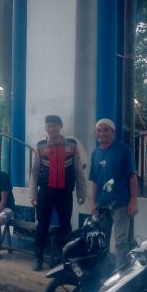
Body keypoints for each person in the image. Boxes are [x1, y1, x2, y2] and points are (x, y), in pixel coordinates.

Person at [29, 115, 87, 271]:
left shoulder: (72, 145)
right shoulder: (40, 145)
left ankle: (65, 260)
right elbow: (34, 171)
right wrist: (33, 193)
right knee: (42, 225)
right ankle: (38, 258)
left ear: (60, 127)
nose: (51, 129)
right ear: (46, 128)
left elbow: (78, 170)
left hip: (65, 192)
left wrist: (81, 192)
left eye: (54, 126)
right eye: (48, 126)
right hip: (45, 192)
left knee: (65, 226)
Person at [89, 118, 138, 267]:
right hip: (102, 205)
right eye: (99, 130)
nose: (102, 133)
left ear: (113, 133)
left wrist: (133, 201)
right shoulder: (95, 153)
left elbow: (132, 177)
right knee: (102, 240)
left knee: (121, 241)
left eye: (106, 130)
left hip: (120, 203)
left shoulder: (123, 150)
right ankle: (105, 272)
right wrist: (93, 202)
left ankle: (123, 273)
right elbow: (95, 181)